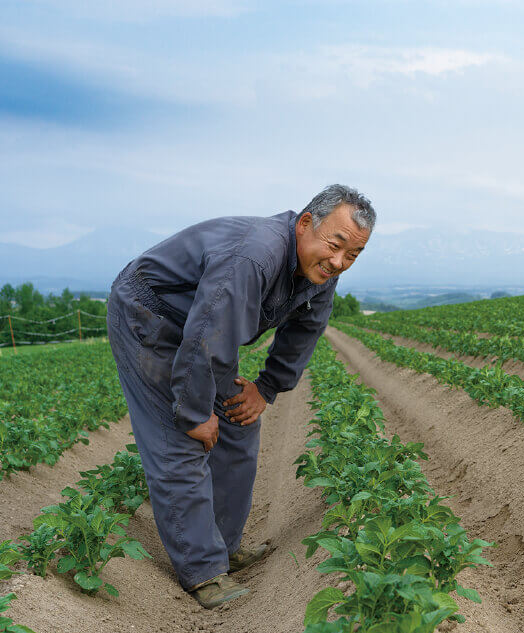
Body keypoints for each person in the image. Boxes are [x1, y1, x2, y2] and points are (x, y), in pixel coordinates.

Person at [105, 184, 374, 607]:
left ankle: (223, 547)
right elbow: (207, 333)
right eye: (335, 245)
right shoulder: (255, 255)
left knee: (237, 422)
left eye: (352, 255)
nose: (339, 262)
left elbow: (304, 333)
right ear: (305, 224)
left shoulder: (321, 274)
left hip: (204, 332)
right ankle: (203, 571)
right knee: (180, 439)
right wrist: (194, 413)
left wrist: (265, 389)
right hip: (151, 317)